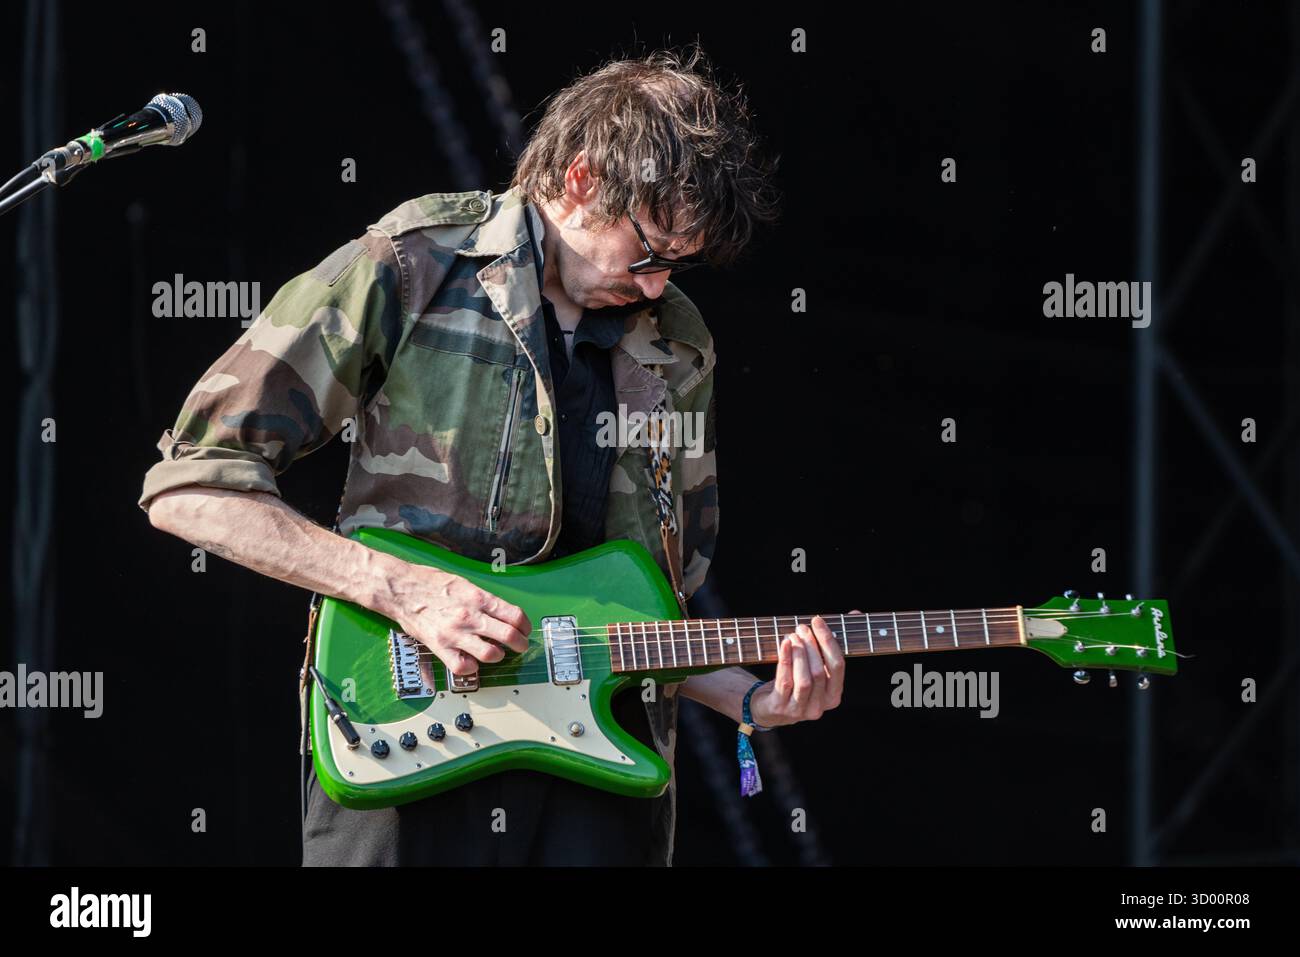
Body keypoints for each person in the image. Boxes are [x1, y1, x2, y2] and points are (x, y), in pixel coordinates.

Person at [138, 47, 847, 866]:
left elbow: (640, 619)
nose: (657, 286)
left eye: (677, 266)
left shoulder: (678, 342)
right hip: (400, 740)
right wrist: (401, 588)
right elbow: (188, 486)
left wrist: (753, 696)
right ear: (581, 181)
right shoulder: (413, 265)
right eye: (648, 253)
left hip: (600, 776)